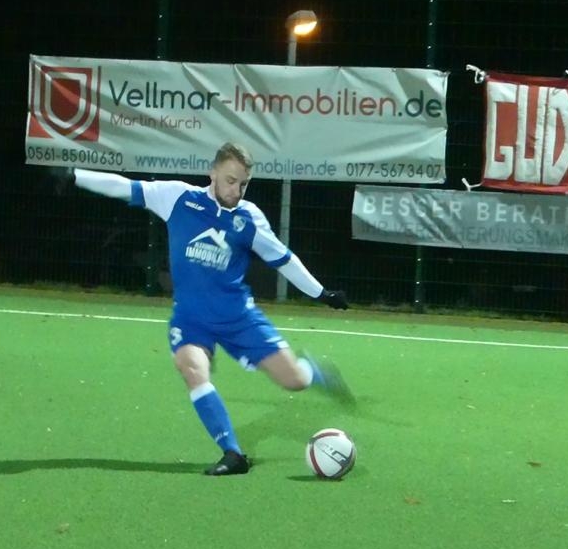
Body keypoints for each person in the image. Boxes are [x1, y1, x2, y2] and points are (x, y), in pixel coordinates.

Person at [65, 141, 353, 476]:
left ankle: (314, 371)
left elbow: (283, 259)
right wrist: (75, 175)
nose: (237, 191)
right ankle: (233, 454)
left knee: (295, 381)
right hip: (192, 320)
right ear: (212, 172)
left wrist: (321, 293)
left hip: (239, 319)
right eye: (231, 181)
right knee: (191, 369)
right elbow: (126, 187)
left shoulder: (248, 218)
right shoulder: (178, 198)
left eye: (244, 184)